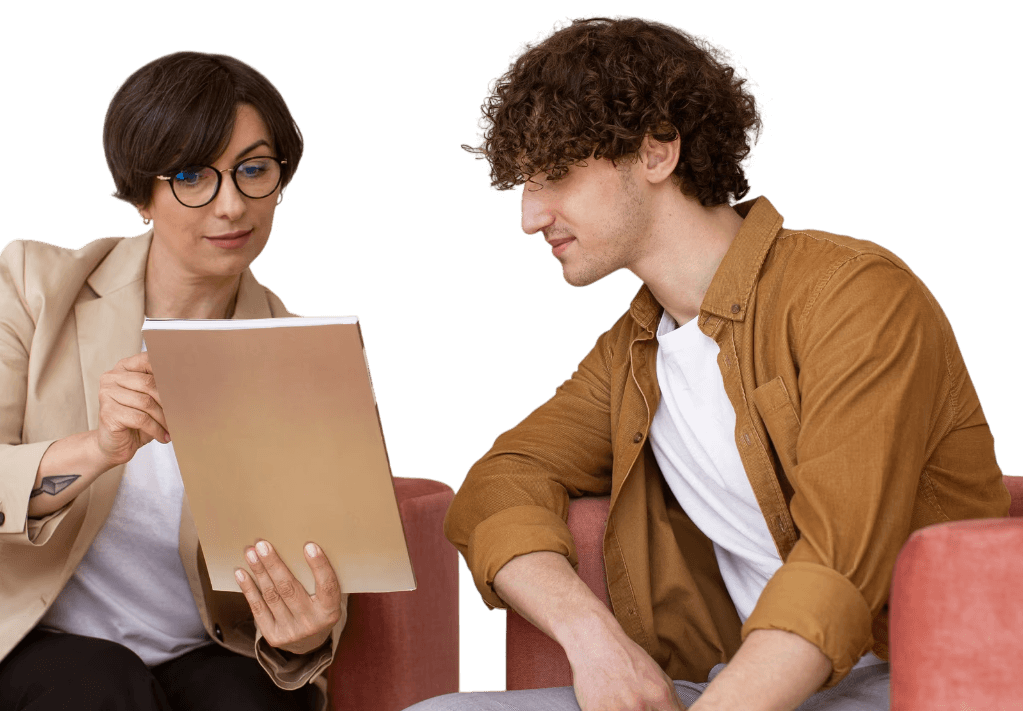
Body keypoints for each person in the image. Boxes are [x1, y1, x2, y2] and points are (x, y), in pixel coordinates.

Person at [411, 15, 1011, 711]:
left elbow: (835, 569)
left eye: (554, 175)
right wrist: (594, 640)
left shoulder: (854, 296)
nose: (529, 215)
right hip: (730, 680)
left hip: (907, 680)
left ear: (657, 151)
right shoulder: (632, 351)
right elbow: (501, 479)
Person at [0, 51, 346, 711]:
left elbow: (328, 567)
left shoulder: (305, 358)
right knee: (97, 684)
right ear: (141, 195)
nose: (231, 203)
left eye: (253, 170)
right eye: (191, 176)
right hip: (29, 644)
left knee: (257, 699)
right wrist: (95, 448)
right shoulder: (35, 290)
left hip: (205, 652)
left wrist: (304, 636)